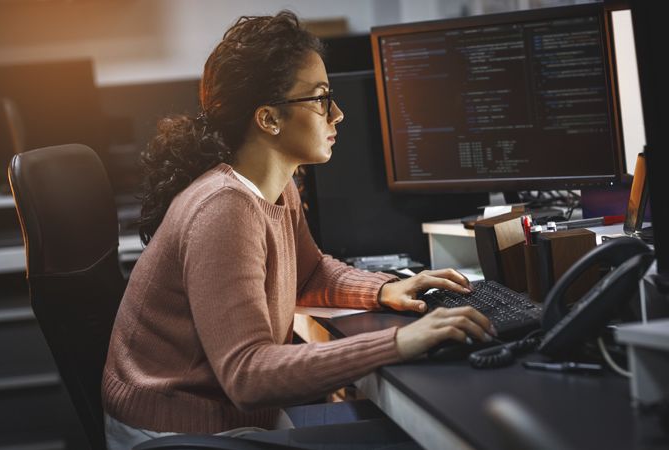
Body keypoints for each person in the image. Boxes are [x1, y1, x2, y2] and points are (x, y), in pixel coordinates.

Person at [102, 10, 496, 449]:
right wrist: (400, 342)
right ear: (269, 119)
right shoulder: (223, 209)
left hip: (229, 420)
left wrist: (384, 289)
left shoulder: (276, 185)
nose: (339, 114)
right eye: (321, 98)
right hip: (185, 432)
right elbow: (248, 375)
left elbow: (307, 274)